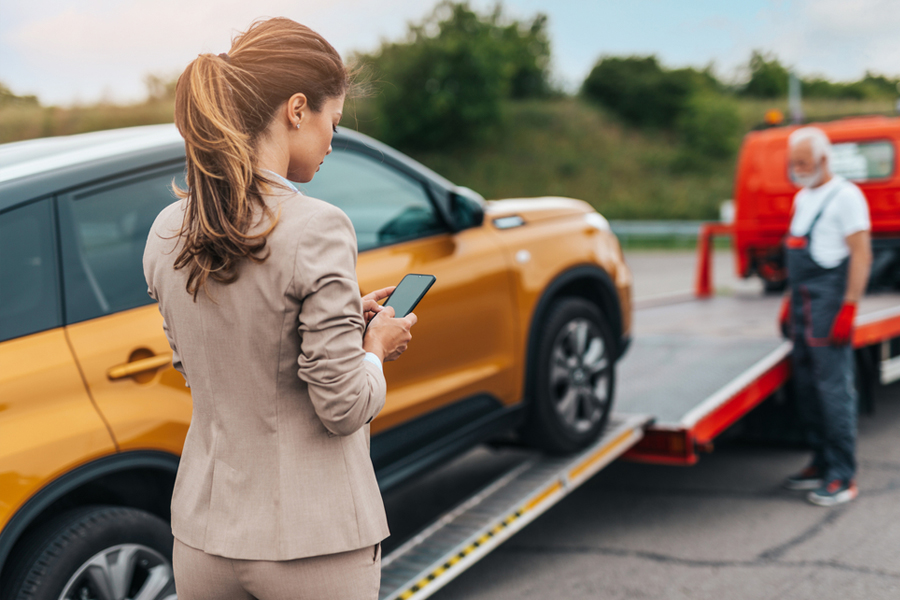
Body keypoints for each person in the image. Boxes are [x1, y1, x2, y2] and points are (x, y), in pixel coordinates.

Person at [142, 18, 417, 599]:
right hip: (311, 542)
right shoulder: (317, 225)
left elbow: (207, 362)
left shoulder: (167, 228)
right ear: (297, 109)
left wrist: (342, 318)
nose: (331, 143)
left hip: (203, 536)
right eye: (332, 124)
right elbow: (343, 406)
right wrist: (373, 347)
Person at [778, 126, 872, 506]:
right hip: (802, 303)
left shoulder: (846, 197)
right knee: (806, 388)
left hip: (829, 303)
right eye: (794, 163)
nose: (798, 169)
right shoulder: (803, 198)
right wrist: (788, 302)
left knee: (833, 391)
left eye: (804, 162)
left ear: (824, 160)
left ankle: (842, 475)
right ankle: (819, 461)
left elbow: (861, 254)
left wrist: (850, 305)